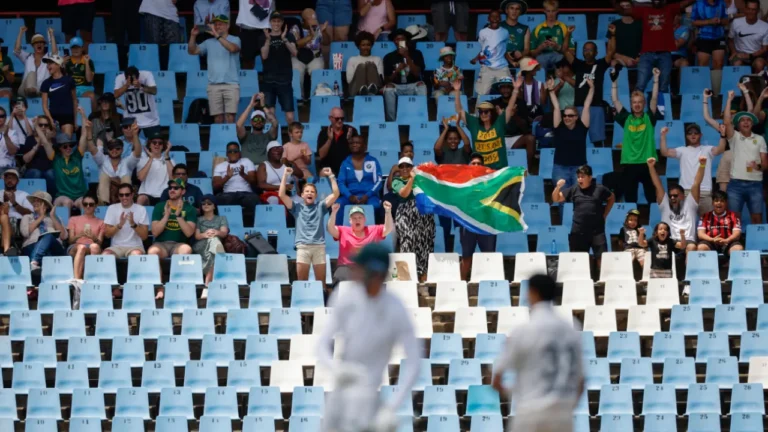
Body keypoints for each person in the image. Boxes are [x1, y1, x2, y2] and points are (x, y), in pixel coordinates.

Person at [317, 242, 421, 432]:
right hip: (339, 396)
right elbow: (322, 344)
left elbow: (414, 362)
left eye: (360, 268)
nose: (354, 272)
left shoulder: (395, 308)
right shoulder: (346, 297)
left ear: (375, 273)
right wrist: (337, 369)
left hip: (369, 400)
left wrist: (391, 407)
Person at [492, 274, 584, 432]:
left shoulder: (523, 331)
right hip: (561, 413)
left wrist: (514, 391)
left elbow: (497, 379)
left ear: (532, 292)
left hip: (530, 410)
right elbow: (581, 382)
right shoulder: (572, 330)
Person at [280, 166, 339, 290]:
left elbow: (336, 194)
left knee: (321, 284)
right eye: (307, 191)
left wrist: (331, 176)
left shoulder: (321, 206)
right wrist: (285, 175)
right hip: (302, 247)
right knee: (302, 283)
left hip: (319, 247)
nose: (309, 193)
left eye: (312, 192)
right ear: (302, 195)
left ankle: (322, 307)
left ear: (316, 195)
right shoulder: (296, 207)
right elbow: (281, 195)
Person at [611, 68, 660, 203]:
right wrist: (614, 82)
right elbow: (615, 100)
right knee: (630, 198)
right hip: (629, 163)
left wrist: (656, 79)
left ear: (644, 104)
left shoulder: (649, 118)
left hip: (647, 163)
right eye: (634, 102)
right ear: (631, 105)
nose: (637, 105)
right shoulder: (626, 118)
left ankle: (654, 223)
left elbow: (654, 98)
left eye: (640, 102)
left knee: (652, 197)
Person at [661, 116, 727, 215]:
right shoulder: (682, 150)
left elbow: (720, 149)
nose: (693, 135)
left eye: (696, 133)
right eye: (690, 133)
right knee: (685, 225)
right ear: (686, 136)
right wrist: (663, 136)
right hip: (686, 192)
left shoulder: (707, 149)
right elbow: (665, 152)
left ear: (700, 135)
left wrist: (722, 135)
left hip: (704, 192)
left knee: (707, 224)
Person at [562, 24, 615, 146]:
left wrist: (612, 34)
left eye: (590, 49)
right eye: (585, 49)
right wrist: (568, 34)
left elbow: (611, 51)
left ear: (596, 52)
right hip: (579, 107)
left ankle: (598, 162)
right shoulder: (578, 64)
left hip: (596, 106)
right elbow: (564, 50)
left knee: (597, 140)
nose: (587, 52)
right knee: (577, 139)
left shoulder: (601, 64)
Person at [552, 165, 615, 266]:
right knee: (578, 259)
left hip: (597, 230)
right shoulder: (574, 189)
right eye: (578, 177)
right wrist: (558, 187)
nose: (580, 179)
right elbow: (556, 199)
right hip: (578, 231)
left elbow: (611, 198)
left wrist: (605, 214)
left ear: (590, 177)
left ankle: (603, 280)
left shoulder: (600, 189)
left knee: (602, 259)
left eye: (582, 176)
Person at [721, 90, 768, 225]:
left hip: (755, 184)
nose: (746, 122)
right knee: (734, 221)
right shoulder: (734, 137)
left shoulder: (759, 139)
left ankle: (759, 245)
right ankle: (737, 245)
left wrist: (757, 166)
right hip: (735, 184)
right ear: (738, 124)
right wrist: (729, 100)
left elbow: (765, 165)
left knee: (757, 220)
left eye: (748, 120)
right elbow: (726, 121)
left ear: (752, 123)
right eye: (742, 120)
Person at [454, 76, 519, 169]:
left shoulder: (499, 123)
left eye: (486, 111)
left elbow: (509, 108)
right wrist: (457, 91)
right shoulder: (474, 123)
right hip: (481, 170)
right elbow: (459, 110)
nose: (483, 114)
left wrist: (516, 89)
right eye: (481, 112)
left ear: (491, 113)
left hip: (499, 171)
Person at [633, 0, 697, 94]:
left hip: (665, 54)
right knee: (640, 85)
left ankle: (663, 108)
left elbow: (685, 3)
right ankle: (635, 107)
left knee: (664, 87)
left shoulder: (669, 9)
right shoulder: (644, 9)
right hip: (646, 54)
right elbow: (626, 9)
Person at [188, 15, 241, 124]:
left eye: (220, 24)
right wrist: (193, 36)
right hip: (213, 85)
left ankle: (231, 140)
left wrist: (216, 35)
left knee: (230, 118)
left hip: (231, 84)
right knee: (217, 119)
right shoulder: (209, 42)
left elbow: (232, 48)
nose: (217, 26)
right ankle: (221, 141)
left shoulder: (235, 39)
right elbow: (192, 51)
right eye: (215, 24)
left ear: (228, 25)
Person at [149, 179, 198, 298]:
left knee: (186, 251)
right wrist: (166, 215)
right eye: (170, 188)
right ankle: (160, 288)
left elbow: (188, 233)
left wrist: (179, 216)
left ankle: (177, 287)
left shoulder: (190, 209)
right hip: (161, 244)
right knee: (152, 252)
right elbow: (155, 232)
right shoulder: (160, 206)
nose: (172, 190)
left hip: (179, 244)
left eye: (176, 188)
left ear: (183, 191)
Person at [648, 156, 705, 255]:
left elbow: (697, 183)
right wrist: (651, 167)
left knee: (691, 248)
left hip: (688, 241)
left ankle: (689, 270)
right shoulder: (665, 205)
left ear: (683, 196)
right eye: (670, 196)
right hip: (670, 241)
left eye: (675, 196)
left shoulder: (690, 203)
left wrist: (702, 165)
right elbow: (657, 185)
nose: (672, 198)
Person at [327, 202, 394, 284]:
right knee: (339, 276)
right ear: (350, 221)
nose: (357, 220)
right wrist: (333, 212)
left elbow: (388, 229)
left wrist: (388, 211)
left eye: (360, 217)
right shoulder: (343, 230)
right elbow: (330, 229)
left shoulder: (373, 229)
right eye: (354, 218)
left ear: (364, 220)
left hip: (367, 267)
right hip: (346, 267)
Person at [392, 157, 435, 282]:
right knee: (407, 245)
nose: (405, 169)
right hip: (406, 216)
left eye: (408, 166)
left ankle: (424, 282)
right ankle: (406, 281)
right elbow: (404, 193)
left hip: (424, 215)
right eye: (402, 167)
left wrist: (429, 170)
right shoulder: (397, 180)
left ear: (412, 167)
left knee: (425, 246)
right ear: (399, 169)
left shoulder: (422, 180)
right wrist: (412, 178)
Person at [548, 76, 595, 190]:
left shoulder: (582, 127)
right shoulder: (558, 126)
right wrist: (551, 90)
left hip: (580, 169)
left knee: (578, 199)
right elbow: (556, 106)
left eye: (570, 115)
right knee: (562, 199)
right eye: (565, 115)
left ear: (576, 117)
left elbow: (587, 104)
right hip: (560, 168)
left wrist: (592, 88)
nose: (566, 117)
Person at [459, 153, 499, 280]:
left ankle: (491, 285)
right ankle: (461, 286)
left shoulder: (491, 181)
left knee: (488, 257)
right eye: (474, 163)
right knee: (466, 258)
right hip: (468, 224)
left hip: (486, 224)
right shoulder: (462, 182)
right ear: (469, 165)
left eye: (479, 164)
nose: (476, 165)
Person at [40, 111, 90, 210]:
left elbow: (84, 135)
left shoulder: (77, 155)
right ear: (59, 148)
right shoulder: (55, 158)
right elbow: (45, 142)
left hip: (79, 195)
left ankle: (85, 225)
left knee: (84, 202)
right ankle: (65, 226)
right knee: (67, 202)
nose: (68, 148)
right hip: (62, 196)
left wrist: (84, 116)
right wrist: (37, 127)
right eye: (65, 146)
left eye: (71, 145)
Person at [488, 78, 536, 170]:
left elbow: (525, 128)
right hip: (499, 138)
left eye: (508, 87)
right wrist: (500, 117)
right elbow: (490, 127)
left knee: (531, 138)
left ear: (512, 89)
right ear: (499, 89)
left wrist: (514, 116)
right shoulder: (493, 104)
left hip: (516, 138)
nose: (505, 90)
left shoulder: (521, 103)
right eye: (503, 87)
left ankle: (527, 170)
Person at [335, 136, 384, 224]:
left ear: (365, 146)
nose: (355, 145)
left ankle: (375, 234)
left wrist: (367, 195)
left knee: (375, 206)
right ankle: (339, 233)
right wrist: (349, 196)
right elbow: (341, 182)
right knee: (338, 205)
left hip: (369, 196)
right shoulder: (345, 163)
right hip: (350, 196)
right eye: (352, 143)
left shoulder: (373, 161)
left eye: (358, 143)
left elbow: (379, 181)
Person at [382, 28, 428, 121]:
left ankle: (422, 119)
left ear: (406, 40)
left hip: (413, 85)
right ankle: (392, 122)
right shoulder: (389, 57)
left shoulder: (416, 54)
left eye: (402, 39)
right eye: (397, 39)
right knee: (388, 89)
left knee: (421, 86)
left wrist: (406, 56)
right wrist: (397, 71)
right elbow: (387, 80)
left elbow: (417, 74)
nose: (399, 42)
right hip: (397, 86)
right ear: (394, 42)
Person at [261, 11, 298, 125]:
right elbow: (264, 55)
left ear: (282, 23)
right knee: (270, 116)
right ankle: (273, 141)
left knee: (290, 116)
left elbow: (294, 52)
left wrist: (284, 39)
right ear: (270, 22)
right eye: (274, 21)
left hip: (285, 80)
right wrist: (268, 39)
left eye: (278, 21)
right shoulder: (263, 36)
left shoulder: (289, 35)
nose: (276, 23)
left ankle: (292, 142)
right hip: (268, 80)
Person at [21, 191, 67, 273]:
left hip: (54, 249)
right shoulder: (27, 217)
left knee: (48, 236)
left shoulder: (56, 218)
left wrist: (52, 216)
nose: (35, 203)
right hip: (32, 247)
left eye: (38, 201)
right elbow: (25, 233)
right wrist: (41, 217)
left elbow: (64, 236)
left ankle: (34, 262)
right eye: (34, 201)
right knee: (46, 252)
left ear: (46, 205)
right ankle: (39, 267)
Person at [103, 183, 149, 260]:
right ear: (118, 196)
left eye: (127, 195)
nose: (124, 197)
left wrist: (133, 224)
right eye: (121, 195)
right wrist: (119, 225)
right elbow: (107, 234)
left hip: (135, 246)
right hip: (116, 247)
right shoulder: (112, 208)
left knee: (136, 255)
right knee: (105, 255)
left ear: (132, 195)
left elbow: (144, 236)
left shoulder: (141, 209)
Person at [93, 134, 141, 206]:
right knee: (104, 177)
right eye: (111, 148)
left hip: (123, 198)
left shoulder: (127, 162)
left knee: (126, 178)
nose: (114, 150)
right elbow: (92, 150)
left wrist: (135, 135)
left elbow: (137, 153)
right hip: (106, 196)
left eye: (117, 148)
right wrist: (88, 135)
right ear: (108, 150)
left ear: (122, 150)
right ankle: (103, 205)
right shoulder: (103, 160)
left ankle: (127, 201)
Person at [113, 67, 160, 137]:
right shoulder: (120, 78)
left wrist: (141, 86)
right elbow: (115, 95)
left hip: (151, 121)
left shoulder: (147, 75)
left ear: (138, 75)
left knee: (154, 143)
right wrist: (126, 86)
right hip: (130, 120)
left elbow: (154, 91)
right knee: (131, 146)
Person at [472, 10, 511, 95]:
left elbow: (504, 49)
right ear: (488, 19)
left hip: (502, 66)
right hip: (487, 67)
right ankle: (479, 108)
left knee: (507, 91)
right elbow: (482, 49)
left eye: (497, 17)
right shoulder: (483, 32)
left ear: (500, 19)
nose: (495, 19)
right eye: (492, 17)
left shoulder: (505, 32)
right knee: (482, 93)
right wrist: (476, 59)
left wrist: (512, 61)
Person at [193, 194, 229, 285]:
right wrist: (205, 234)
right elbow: (197, 236)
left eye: (209, 203)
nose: (206, 205)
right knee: (213, 241)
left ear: (214, 206)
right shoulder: (198, 219)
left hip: (213, 245)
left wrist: (216, 232)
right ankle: (221, 257)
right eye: (203, 203)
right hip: (201, 244)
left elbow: (224, 233)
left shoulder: (221, 218)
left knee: (211, 252)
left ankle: (207, 285)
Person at [67, 194, 104, 280]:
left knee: (94, 246)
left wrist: (93, 237)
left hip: (92, 245)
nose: (88, 206)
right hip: (76, 246)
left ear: (96, 205)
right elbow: (70, 241)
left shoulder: (101, 222)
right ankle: (77, 280)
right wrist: (80, 235)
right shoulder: (73, 219)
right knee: (81, 247)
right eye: (85, 204)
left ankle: (92, 278)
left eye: (91, 204)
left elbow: (100, 243)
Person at [291, 9, 327, 98]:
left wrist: (325, 33)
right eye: (310, 21)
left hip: (315, 56)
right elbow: (295, 45)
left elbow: (327, 42)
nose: (313, 24)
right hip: (298, 56)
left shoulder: (317, 27)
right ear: (303, 21)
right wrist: (309, 37)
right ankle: (299, 98)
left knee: (318, 72)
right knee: (297, 72)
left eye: (314, 21)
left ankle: (316, 98)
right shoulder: (296, 28)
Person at [213, 141, 261, 208]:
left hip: (246, 193)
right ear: (227, 154)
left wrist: (243, 175)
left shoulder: (247, 161)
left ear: (239, 153)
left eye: (235, 151)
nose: (233, 153)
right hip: (228, 194)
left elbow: (254, 181)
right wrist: (227, 177)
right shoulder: (220, 166)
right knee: (219, 199)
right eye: (230, 151)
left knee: (254, 199)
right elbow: (216, 186)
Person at [236, 94, 279, 168]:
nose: (258, 121)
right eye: (255, 119)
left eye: (261, 119)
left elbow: (275, 123)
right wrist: (250, 106)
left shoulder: (269, 136)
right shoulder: (245, 136)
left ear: (264, 122)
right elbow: (239, 125)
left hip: (265, 169)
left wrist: (263, 106)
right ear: (251, 122)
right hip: (248, 170)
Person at [530, 0, 575, 70]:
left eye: (553, 11)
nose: (551, 14)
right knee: (534, 62)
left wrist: (557, 47)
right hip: (542, 57)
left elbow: (572, 52)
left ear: (557, 11)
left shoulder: (564, 27)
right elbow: (531, 54)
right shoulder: (537, 29)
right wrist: (540, 48)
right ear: (544, 11)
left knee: (563, 60)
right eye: (548, 11)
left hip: (559, 56)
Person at [15, 27, 59, 97]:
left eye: (41, 42)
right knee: (31, 74)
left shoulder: (48, 58)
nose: (39, 44)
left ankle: (37, 92)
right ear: (32, 45)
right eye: (36, 42)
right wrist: (20, 33)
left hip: (42, 89)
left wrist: (52, 35)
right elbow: (17, 50)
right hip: (25, 89)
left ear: (44, 45)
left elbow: (55, 53)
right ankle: (36, 92)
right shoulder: (28, 57)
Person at [697, 190, 744, 255]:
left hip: (728, 242)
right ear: (712, 203)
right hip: (710, 242)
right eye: (716, 201)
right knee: (701, 247)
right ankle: (709, 265)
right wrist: (712, 239)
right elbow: (700, 234)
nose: (719, 203)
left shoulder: (733, 216)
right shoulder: (705, 216)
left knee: (738, 249)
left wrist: (727, 240)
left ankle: (732, 265)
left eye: (722, 201)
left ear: (726, 203)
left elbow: (737, 234)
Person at [40, 54, 77, 137]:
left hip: (67, 117)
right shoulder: (46, 83)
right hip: (53, 117)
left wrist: (75, 121)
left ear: (58, 65)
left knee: (66, 141)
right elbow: (44, 106)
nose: (48, 66)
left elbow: (74, 101)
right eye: (47, 64)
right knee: (51, 144)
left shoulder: (69, 80)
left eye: (50, 63)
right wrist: (50, 120)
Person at [0, 169, 34, 256]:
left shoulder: (23, 195)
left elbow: (29, 212)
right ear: (4, 179)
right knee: (3, 216)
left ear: (17, 181)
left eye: (12, 178)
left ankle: (5, 248)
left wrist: (14, 203)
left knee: (5, 217)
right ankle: (7, 249)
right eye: (7, 178)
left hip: (17, 224)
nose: (9, 180)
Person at [728, 0, 768, 73]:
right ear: (745, 9)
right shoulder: (736, 22)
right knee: (737, 64)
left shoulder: (765, 26)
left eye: (753, 10)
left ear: (758, 10)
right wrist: (734, 52)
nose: (750, 12)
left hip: (756, 56)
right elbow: (730, 40)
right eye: (749, 9)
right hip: (739, 54)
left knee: (759, 64)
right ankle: (739, 84)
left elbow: (764, 49)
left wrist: (749, 55)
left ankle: (756, 84)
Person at [20, 117, 57, 195]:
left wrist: (48, 141)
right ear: (36, 126)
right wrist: (37, 145)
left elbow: (53, 158)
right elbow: (26, 160)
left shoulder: (53, 140)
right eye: (40, 125)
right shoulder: (30, 139)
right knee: (37, 173)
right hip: (32, 170)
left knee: (50, 173)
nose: (43, 127)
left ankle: (52, 198)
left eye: (46, 125)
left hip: (49, 169)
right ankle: (35, 198)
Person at [136, 131, 174, 206]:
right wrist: (151, 159)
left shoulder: (170, 160)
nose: (157, 145)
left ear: (163, 146)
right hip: (147, 194)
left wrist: (166, 156)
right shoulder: (142, 160)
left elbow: (173, 178)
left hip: (164, 195)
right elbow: (141, 178)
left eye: (160, 143)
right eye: (154, 142)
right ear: (149, 145)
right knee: (141, 199)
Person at [317, 107, 358, 174]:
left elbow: (357, 152)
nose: (340, 121)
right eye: (337, 119)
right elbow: (321, 155)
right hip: (328, 167)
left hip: (347, 166)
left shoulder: (351, 130)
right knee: (323, 173)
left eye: (342, 118)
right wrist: (329, 140)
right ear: (330, 118)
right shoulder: (324, 132)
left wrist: (350, 140)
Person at [691, 0, 728, 72]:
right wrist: (709, 21)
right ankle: (703, 83)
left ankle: (717, 83)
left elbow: (726, 20)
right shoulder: (698, 3)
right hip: (703, 38)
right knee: (702, 64)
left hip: (719, 38)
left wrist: (719, 21)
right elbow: (693, 22)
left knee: (719, 63)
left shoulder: (722, 3)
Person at [236, 0, 273, 70]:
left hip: (265, 28)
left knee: (268, 61)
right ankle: (248, 81)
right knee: (247, 62)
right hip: (247, 28)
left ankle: (270, 80)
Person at [64, 37, 96, 111]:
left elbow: (89, 79)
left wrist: (87, 63)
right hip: (70, 89)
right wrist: (62, 65)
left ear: (82, 48)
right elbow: (63, 79)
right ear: (70, 49)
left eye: (78, 47)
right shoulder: (67, 61)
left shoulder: (89, 61)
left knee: (92, 96)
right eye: (73, 48)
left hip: (84, 88)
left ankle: (94, 118)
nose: (76, 50)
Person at [347, 31, 384, 97]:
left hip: (375, 89)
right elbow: (349, 80)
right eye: (363, 45)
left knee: (371, 65)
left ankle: (371, 91)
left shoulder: (378, 59)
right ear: (358, 46)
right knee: (361, 66)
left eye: (368, 45)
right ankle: (362, 90)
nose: (366, 48)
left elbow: (381, 79)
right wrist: (363, 70)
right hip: (355, 89)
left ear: (371, 46)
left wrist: (370, 69)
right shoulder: (352, 59)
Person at [612, 0, 642, 68]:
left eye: (627, 6)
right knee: (614, 63)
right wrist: (625, 59)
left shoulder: (641, 24)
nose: (625, 8)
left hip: (640, 59)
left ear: (632, 7)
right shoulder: (614, 25)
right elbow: (611, 50)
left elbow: (647, 45)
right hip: (621, 59)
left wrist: (639, 58)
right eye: (622, 6)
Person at [501, 0, 531, 68]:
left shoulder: (525, 28)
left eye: (517, 9)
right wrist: (506, 54)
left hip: (518, 61)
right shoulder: (499, 26)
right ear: (506, 10)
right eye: (512, 8)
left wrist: (521, 54)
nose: (514, 11)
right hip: (500, 59)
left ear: (520, 12)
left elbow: (526, 50)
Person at [0, 107, 17, 173]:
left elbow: (13, 152)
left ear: (5, 118)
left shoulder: (12, 133)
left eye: (1, 116)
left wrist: (6, 136)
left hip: (6, 167)